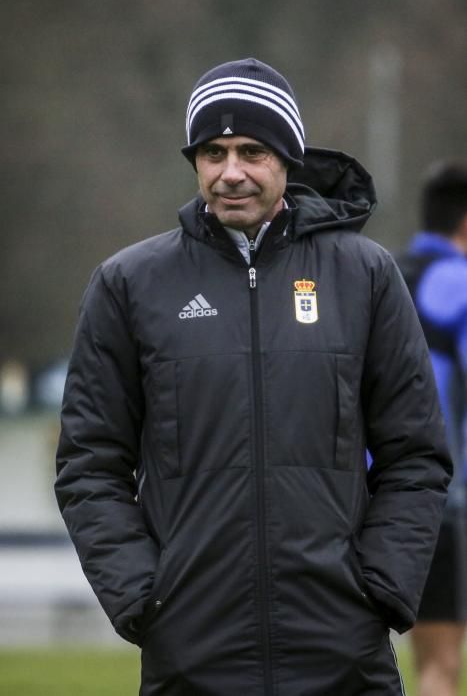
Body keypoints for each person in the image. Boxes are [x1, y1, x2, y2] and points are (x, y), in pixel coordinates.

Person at [55, 58, 452, 696]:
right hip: (190, 655)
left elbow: (416, 456)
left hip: (345, 654)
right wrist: (145, 599)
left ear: (288, 157)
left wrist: (380, 589)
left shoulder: (366, 276)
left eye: (252, 151)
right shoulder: (129, 285)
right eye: (212, 151)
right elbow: (89, 464)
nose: (231, 172)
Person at [396, 160, 467, 696]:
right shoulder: (460, 283)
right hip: (441, 506)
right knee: (441, 669)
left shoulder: (379, 274)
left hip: (363, 502)